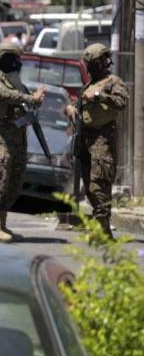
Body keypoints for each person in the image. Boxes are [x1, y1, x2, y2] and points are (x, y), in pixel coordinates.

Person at [0, 41, 46, 243]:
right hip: (1, 143)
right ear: (5, 60)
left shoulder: (15, 82)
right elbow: (5, 95)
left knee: (13, 186)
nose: (19, 64)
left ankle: (2, 224)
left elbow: (22, 103)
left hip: (18, 142)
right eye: (15, 59)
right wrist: (31, 98)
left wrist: (33, 104)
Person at [64, 43, 129, 238]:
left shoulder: (113, 82)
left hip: (103, 138)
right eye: (90, 64)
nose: (93, 66)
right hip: (86, 139)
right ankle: (99, 224)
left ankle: (103, 228)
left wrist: (100, 95)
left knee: (98, 182)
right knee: (88, 184)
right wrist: (71, 109)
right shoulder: (88, 86)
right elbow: (80, 107)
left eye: (96, 62)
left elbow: (121, 102)